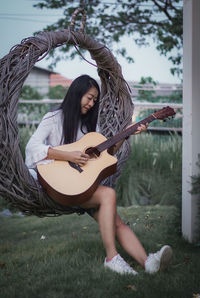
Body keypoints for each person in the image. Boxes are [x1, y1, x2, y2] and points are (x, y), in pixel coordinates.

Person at [25, 74, 173, 275]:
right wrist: (68, 155)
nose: (92, 103)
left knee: (117, 223)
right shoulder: (53, 118)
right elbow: (32, 148)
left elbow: (105, 155)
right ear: (77, 93)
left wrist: (127, 132)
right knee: (108, 194)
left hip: (81, 188)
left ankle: (149, 263)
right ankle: (112, 258)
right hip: (56, 187)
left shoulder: (89, 128)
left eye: (95, 100)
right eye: (89, 97)